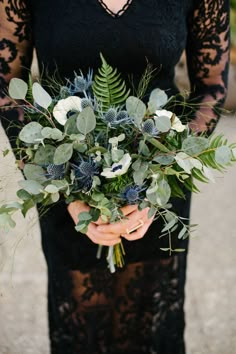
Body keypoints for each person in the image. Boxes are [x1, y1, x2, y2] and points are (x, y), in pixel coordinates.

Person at [0, 1, 230, 353]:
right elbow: (6, 84)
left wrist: (159, 177)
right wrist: (66, 189)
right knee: (81, 332)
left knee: (152, 325)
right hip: (63, 181)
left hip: (160, 185)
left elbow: (211, 86)